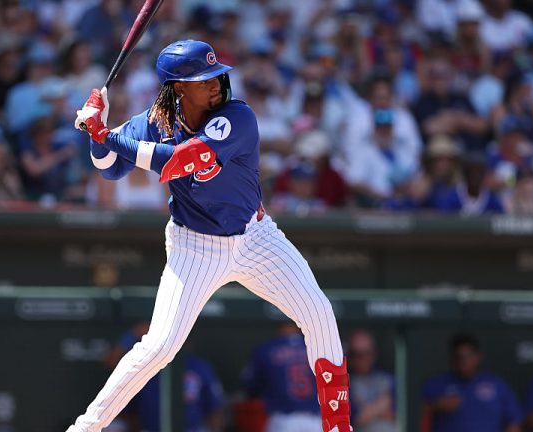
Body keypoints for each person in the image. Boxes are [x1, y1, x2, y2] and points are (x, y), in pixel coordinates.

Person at [69, 40, 350, 432]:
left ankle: (338, 427)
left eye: (217, 74)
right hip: (194, 246)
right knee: (161, 346)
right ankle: (87, 427)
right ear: (178, 88)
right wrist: (95, 135)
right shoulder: (155, 121)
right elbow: (110, 168)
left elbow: (181, 162)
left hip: (256, 238)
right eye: (204, 79)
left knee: (319, 314)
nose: (217, 82)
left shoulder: (238, 116)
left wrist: (104, 134)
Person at [421, 333, 523, 432]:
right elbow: (412, 414)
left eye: (466, 356)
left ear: (478, 357)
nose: (462, 361)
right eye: (458, 357)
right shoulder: (436, 384)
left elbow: (514, 421)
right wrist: (436, 405)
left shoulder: (497, 385)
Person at [241, 322, 323, 432]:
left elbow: (250, 387)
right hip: (316, 421)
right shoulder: (319, 349)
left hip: (283, 420)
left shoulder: (266, 349)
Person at [346, 330, 396, 432]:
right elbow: (355, 419)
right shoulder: (344, 382)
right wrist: (381, 405)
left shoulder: (387, 378)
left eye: (366, 353)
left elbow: (400, 414)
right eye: (356, 354)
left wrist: (367, 410)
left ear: (374, 354)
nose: (362, 359)